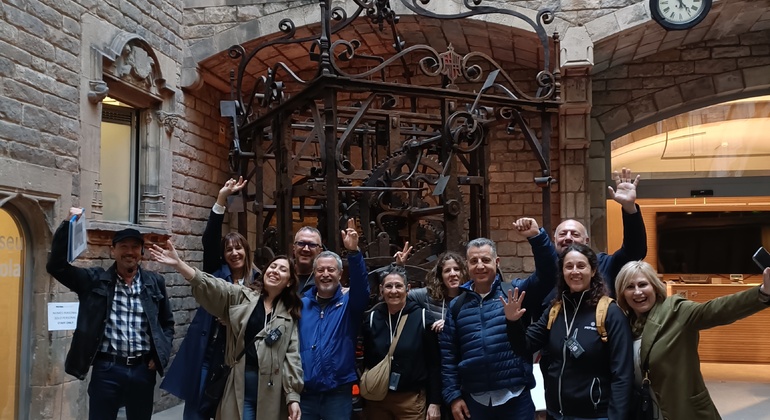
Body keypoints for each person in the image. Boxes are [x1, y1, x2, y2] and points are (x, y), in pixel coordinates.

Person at [45, 208, 174, 420]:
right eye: (124, 246)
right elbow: (56, 267)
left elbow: (167, 324)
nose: (129, 252)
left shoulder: (155, 283)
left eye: (135, 247)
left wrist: (161, 355)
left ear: (142, 252)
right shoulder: (95, 280)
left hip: (143, 371)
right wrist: (68, 224)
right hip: (107, 370)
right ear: (112, 250)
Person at [150, 243, 303, 420]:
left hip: (271, 392)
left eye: (282, 270)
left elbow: (292, 357)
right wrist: (180, 265)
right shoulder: (242, 297)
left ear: (289, 281)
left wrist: (293, 397)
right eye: (273, 266)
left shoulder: (289, 314)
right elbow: (215, 287)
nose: (275, 271)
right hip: (239, 384)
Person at [614, 261, 770, 419]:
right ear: (622, 293)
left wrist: (763, 292)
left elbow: (717, 310)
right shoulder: (623, 325)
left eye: (643, 284)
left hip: (683, 412)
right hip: (645, 412)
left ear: (654, 286)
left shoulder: (675, 311)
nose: (637, 292)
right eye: (630, 287)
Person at [162, 177, 261, 419]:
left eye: (238, 248)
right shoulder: (215, 273)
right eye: (229, 249)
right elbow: (210, 240)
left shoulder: (259, 281)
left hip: (238, 358)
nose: (234, 253)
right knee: (196, 410)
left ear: (246, 251)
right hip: (210, 351)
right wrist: (221, 199)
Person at [440, 218, 558, 420]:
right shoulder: (457, 306)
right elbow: (449, 355)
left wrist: (536, 237)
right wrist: (453, 396)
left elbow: (548, 274)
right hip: (475, 402)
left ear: (497, 262)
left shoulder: (515, 292)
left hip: (515, 399)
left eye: (486, 260)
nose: (480, 266)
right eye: (474, 261)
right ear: (467, 265)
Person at [502, 244, 633, 420]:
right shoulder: (555, 310)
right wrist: (512, 322)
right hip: (556, 414)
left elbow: (623, 374)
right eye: (569, 266)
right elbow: (525, 346)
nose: (575, 271)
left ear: (593, 271)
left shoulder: (610, 312)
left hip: (595, 415)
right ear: (562, 272)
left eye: (581, 266)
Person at [299, 218, 370, 420]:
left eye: (331, 270)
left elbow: (362, 289)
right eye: (320, 270)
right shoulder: (301, 305)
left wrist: (353, 253)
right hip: (306, 392)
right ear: (314, 274)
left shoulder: (349, 304)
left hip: (338, 391)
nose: (325, 274)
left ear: (340, 274)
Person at [361, 265, 442, 420]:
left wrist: (435, 401)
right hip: (377, 399)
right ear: (381, 290)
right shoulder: (372, 319)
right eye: (388, 286)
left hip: (410, 401)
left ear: (407, 289)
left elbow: (434, 363)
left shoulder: (422, 318)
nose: (393, 291)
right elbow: (367, 360)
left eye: (398, 286)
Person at [408, 251, 469, 333]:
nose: (452, 274)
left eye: (456, 269)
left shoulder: (471, 297)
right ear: (440, 276)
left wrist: (448, 325)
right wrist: (399, 266)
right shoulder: (428, 295)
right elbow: (399, 296)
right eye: (447, 270)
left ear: (464, 272)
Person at [294, 226, 324, 295]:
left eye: (312, 245)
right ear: (294, 248)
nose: (306, 249)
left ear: (320, 251)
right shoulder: (282, 277)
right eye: (301, 243)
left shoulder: (325, 281)